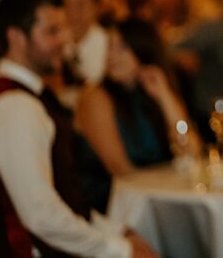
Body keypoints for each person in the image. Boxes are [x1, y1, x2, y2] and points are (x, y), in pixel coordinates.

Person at [0, 0, 156, 258]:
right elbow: (40, 216)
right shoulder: (14, 106)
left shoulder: (31, 97)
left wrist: (117, 231)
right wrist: (120, 250)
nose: (65, 39)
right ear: (16, 38)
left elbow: (65, 197)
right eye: (51, 31)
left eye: (62, 29)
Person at [75, 18, 200, 213]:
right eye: (110, 46)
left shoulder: (150, 95)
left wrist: (165, 97)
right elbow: (120, 169)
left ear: (143, 50)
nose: (112, 56)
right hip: (115, 204)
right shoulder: (96, 97)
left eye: (123, 47)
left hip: (154, 196)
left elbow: (191, 153)